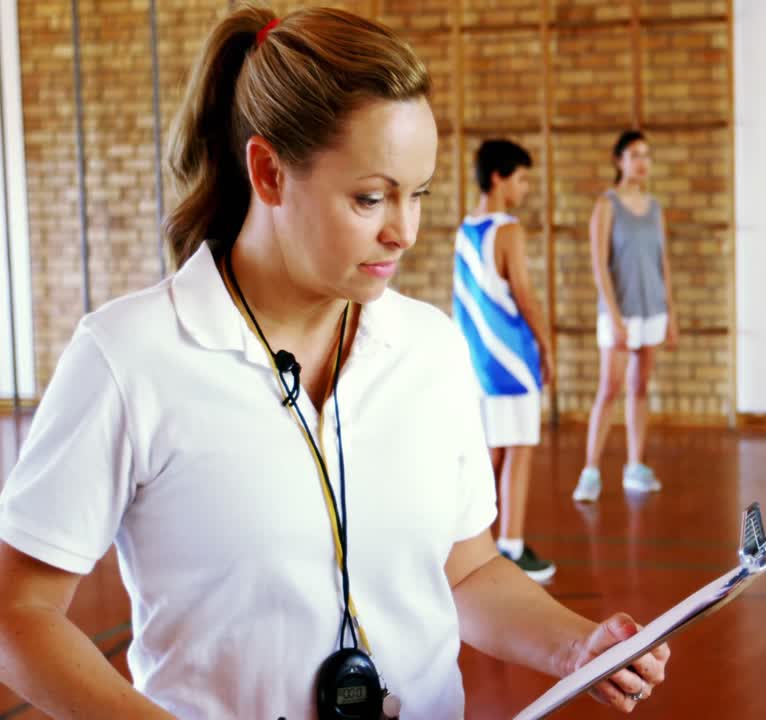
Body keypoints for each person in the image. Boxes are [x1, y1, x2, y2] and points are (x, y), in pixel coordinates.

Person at [0, 6, 667, 718]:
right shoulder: (127, 357)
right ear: (269, 172)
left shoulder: (434, 350)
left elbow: (466, 568)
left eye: (419, 195)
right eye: (370, 197)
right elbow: (19, 614)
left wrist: (575, 647)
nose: (404, 230)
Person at [453, 139, 556, 581]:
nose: (525, 188)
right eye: (521, 178)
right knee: (520, 451)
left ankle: (478, 544)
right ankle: (510, 546)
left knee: (490, 453)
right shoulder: (509, 230)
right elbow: (525, 296)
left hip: (477, 359)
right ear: (498, 177)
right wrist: (547, 345)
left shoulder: (464, 228)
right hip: (511, 358)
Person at [572, 130, 678, 503]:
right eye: (635, 154)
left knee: (640, 388)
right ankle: (590, 471)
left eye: (647, 155)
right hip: (619, 312)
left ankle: (635, 466)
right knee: (610, 390)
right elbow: (599, 264)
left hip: (653, 311)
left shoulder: (655, 207)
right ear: (619, 160)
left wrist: (671, 313)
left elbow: (662, 262)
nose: (642, 162)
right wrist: (615, 316)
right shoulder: (606, 205)